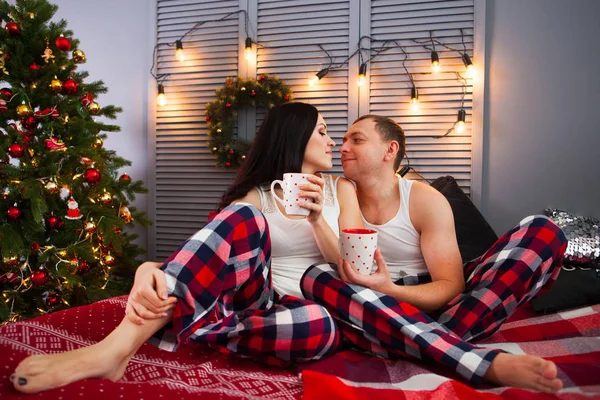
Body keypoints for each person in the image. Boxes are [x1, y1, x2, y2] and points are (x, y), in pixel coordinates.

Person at [9, 102, 363, 394]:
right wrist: (147, 269)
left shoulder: (340, 190)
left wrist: (317, 220)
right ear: (295, 138)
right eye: (323, 132)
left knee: (316, 325)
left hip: (312, 308)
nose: (333, 142)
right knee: (244, 215)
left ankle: (198, 324)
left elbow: (352, 267)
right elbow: (207, 255)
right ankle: (112, 350)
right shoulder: (257, 196)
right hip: (259, 297)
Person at [300, 115, 568, 393]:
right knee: (317, 277)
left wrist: (391, 289)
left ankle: (421, 341)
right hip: (370, 301)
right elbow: (347, 268)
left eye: (356, 140)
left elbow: (451, 287)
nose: (342, 147)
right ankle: (457, 352)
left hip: (432, 301)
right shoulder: (334, 191)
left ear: (389, 150)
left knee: (542, 230)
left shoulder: (424, 199)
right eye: (342, 140)